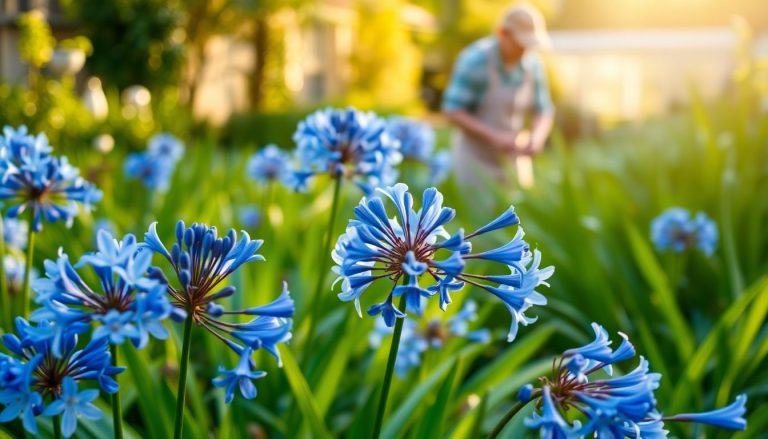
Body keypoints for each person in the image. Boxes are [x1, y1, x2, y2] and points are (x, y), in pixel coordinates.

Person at [442, 3, 555, 194]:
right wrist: (493, 136)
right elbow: (452, 111)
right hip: (475, 158)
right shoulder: (474, 60)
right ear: (503, 33)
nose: (525, 51)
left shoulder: (533, 64)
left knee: (518, 208)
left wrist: (536, 138)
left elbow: (543, 110)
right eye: (520, 44)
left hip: (514, 156)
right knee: (479, 212)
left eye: (529, 45)